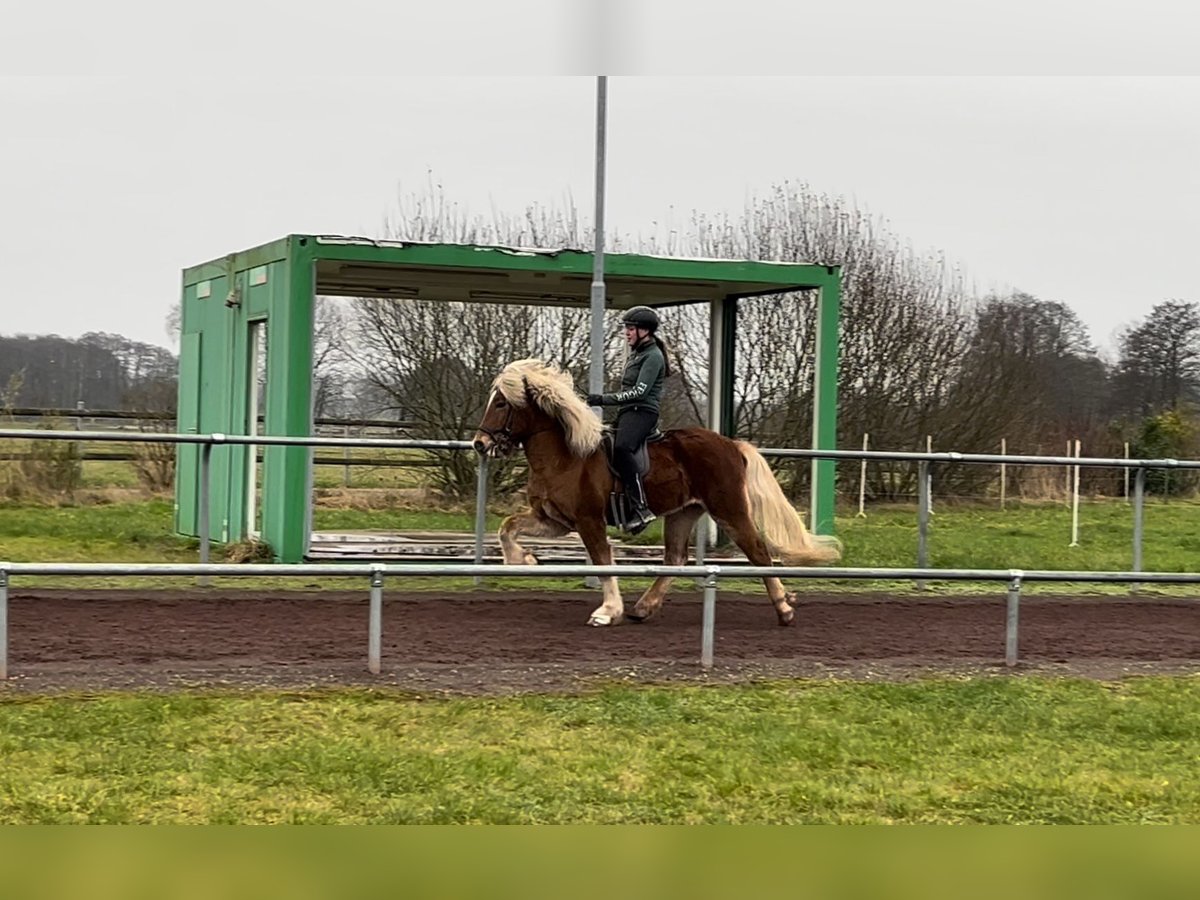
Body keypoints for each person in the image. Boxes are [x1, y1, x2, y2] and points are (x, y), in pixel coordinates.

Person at [586, 306, 671, 532]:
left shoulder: (653, 356)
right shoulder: (638, 354)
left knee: (623, 447)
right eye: (627, 328)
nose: (627, 333)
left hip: (642, 411)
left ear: (645, 331)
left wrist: (601, 399)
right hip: (629, 411)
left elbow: (639, 392)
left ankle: (641, 508)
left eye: (631, 329)